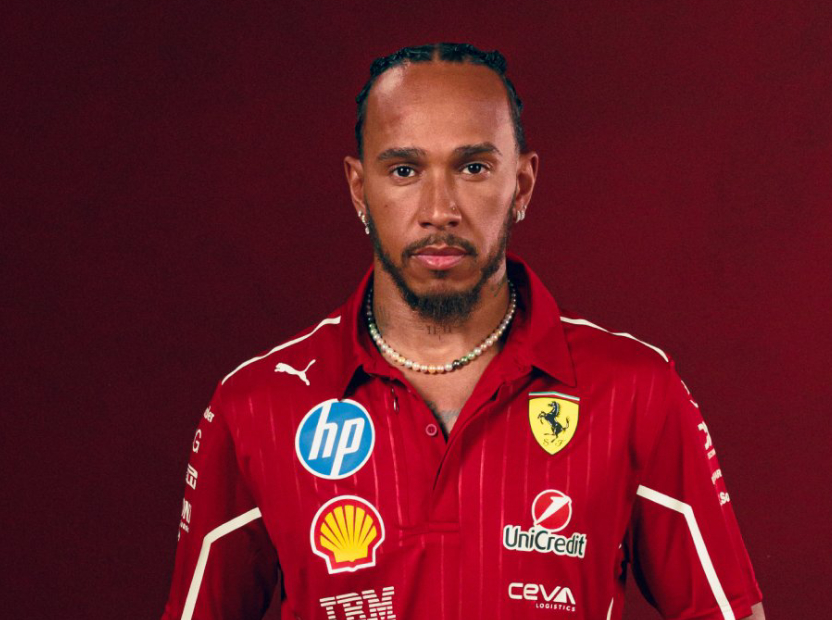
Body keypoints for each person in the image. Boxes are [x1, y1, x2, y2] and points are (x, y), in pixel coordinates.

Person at [161, 42, 765, 620]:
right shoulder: (257, 405)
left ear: (521, 185)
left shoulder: (635, 390)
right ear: (359, 190)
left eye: (473, 167)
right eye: (404, 170)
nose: (440, 210)